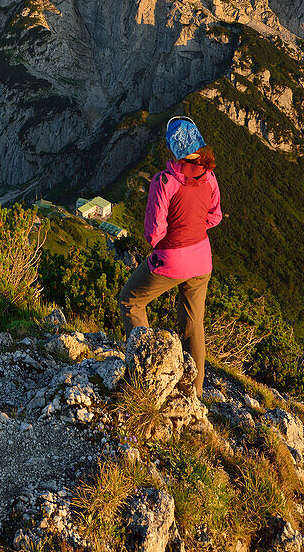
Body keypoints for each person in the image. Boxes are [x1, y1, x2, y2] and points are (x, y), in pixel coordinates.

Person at [118, 116, 222, 397]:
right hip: (202, 260)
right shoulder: (210, 177)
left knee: (131, 301)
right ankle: (195, 391)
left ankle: (145, 373)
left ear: (172, 148)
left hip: (171, 259)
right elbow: (215, 218)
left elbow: (154, 233)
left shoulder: (165, 182)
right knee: (192, 323)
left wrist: (169, 243)